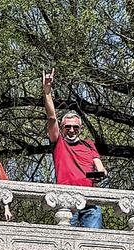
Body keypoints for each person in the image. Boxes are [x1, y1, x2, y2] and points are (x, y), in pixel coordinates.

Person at [43, 68, 108, 228]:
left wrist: (101, 174)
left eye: (75, 128)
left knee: (93, 241)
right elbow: (51, 118)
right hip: (66, 198)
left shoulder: (88, 144)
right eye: (68, 127)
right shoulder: (59, 143)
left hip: (90, 198)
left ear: (80, 129)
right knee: (66, 241)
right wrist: (47, 91)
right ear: (62, 128)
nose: (72, 130)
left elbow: (100, 167)